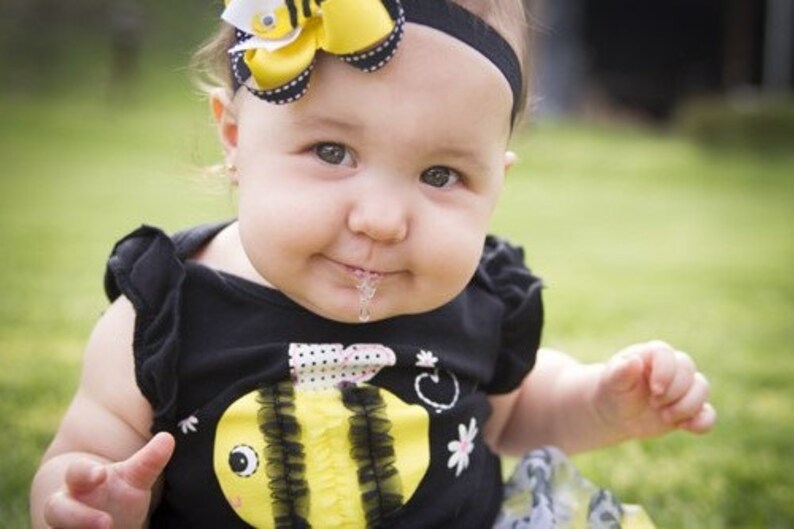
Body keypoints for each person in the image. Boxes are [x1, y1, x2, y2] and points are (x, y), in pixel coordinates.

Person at [30, 0, 716, 527]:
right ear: (235, 136)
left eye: (441, 174)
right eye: (333, 153)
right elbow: (83, 451)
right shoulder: (166, 310)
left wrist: (601, 401)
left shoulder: (478, 299)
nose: (383, 219)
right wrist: (90, 495)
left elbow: (514, 413)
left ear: (498, 181)